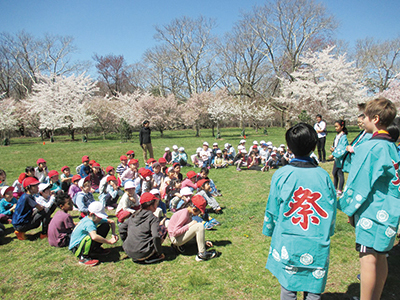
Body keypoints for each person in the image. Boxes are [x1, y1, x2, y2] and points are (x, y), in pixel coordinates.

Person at [263, 122, 337, 300]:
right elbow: (331, 208)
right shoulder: (323, 176)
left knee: (288, 286)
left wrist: (269, 229)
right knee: (314, 286)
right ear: (314, 146)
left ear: (289, 147)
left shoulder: (282, 174)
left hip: (289, 241)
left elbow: (272, 207)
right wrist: (330, 230)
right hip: (316, 240)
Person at [338, 97, 400, 300]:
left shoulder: (370, 148)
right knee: (382, 255)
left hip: (372, 213)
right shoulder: (393, 146)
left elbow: (358, 184)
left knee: (367, 259)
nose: (361, 120)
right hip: (390, 210)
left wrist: (349, 208)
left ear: (375, 118)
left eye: (364, 116)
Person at [168, 194, 217, 262]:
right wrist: (190, 225)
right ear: (194, 209)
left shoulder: (188, 213)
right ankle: (202, 255)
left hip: (177, 237)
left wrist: (204, 242)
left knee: (196, 227)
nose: (199, 214)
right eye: (199, 212)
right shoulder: (184, 214)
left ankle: (180, 247)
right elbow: (175, 233)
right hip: (175, 239)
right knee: (199, 226)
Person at [69, 201, 118, 267]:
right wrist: (109, 242)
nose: (100, 218)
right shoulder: (89, 223)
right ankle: (83, 258)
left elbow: (111, 221)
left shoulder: (95, 219)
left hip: (82, 242)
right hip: (76, 247)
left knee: (105, 226)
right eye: (99, 216)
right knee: (89, 237)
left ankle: (95, 249)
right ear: (92, 214)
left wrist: (113, 234)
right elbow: (94, 237)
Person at [122, 193, 166, 264]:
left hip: (129, 251)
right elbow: (156, 236)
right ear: (151, 205)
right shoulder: (153, 218)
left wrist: (126, 242)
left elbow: (121, 228)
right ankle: (155, 255)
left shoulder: (134, 215)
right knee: (163, 229)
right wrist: (159, 252)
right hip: (143, 253)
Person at [328, 120, 349, 197]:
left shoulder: (343, 137)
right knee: (334, 173)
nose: (335, 128)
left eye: (337, 126)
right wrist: (333, 149)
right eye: (335, 127)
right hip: (337, 159)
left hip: (340, 159)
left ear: (342, 127)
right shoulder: (338, 135)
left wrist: (333, 154)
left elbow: (342, 148)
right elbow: (337, 146)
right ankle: (335, 188)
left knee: (340, 173)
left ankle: (340, 190)